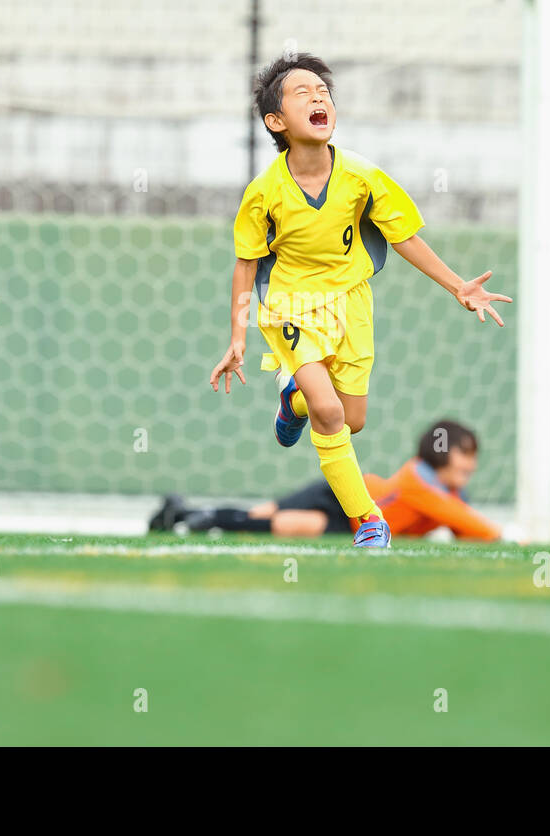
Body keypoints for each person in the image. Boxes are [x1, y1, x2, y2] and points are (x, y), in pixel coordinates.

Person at [209, 53, 511, 548]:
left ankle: (295, 402)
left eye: (323, 91)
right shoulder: (263, 193)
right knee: (331, 416)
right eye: (303, 92)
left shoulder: (362, 178)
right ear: (276, 121)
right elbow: (246, 262)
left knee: (351, 419)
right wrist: (238, 335)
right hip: (290, 306)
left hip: (351, 304)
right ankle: (369, 521)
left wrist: (458, 285)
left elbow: (403, 236)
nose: (319, 96)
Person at [151, 420, 499, 541]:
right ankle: (183, 514)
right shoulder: (418, 481)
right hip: (343, 494)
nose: (472, 462)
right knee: (261, 515)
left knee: (285, 526)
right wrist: (504, 537)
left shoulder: (451, 493)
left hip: (354, 527)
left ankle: (188, 518)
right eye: (465, 452)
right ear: (441, 452)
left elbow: (461, 527)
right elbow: (474, 527)